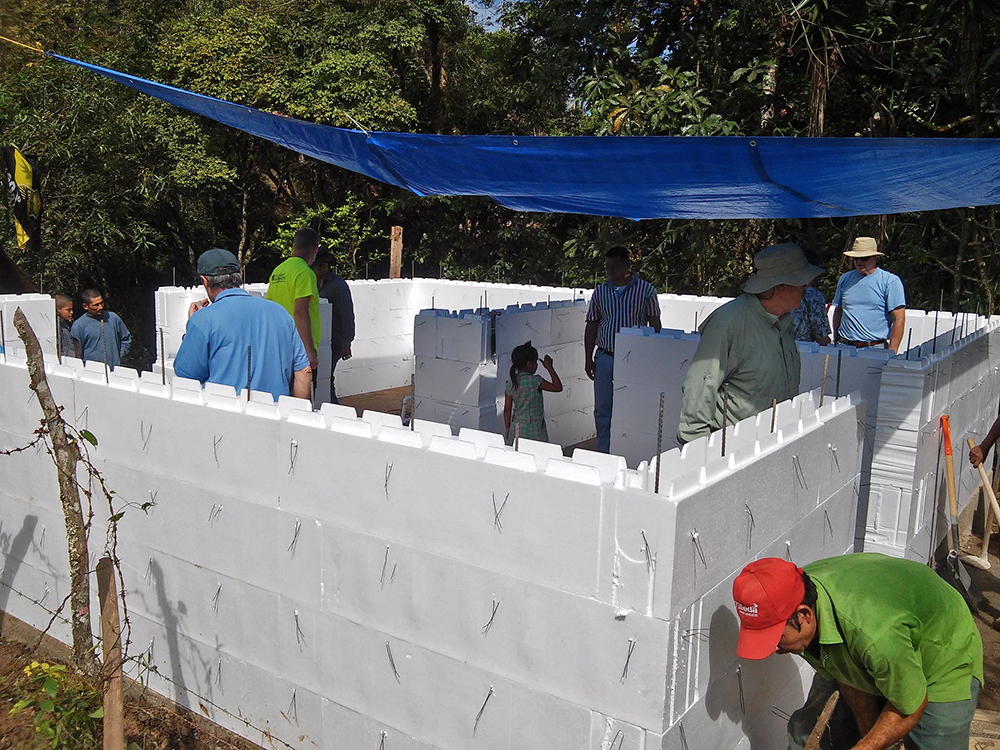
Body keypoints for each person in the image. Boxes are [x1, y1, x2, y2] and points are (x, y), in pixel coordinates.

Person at [733, 555, 983, 750]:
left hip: (943, 647)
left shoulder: (874, 635)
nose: (774, 649)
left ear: (804, 614)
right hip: (878, 637)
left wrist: (867, 745)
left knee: (932, 739)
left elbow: (911, 705)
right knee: (805, 729)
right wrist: (870, 738)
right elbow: (847, 677)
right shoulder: (792, 596)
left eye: (775, 637)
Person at [677, 243, 822, 444]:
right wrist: (697, 451)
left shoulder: (783, 322)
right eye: (802, 283)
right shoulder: (728, 323)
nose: (806, 289)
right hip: (733, 448)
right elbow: (700, 386)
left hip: (770, 443)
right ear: (780, 286)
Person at [174, 248, 311, 402]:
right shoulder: (281, 313)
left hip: (226, 417)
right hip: (274, 417)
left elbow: (186, 375)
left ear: (205, 281)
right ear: (240, 275)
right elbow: (304, 372)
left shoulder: (203, 320)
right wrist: (295, 414)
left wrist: (191, 330)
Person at [584, 246, 661, 453]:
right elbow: (592, 325)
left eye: (615, 266)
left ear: (628, 266)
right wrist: (588, 359)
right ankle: (603, 452)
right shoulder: (600, 291)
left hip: (634, 359)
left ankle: (628, 451)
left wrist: (651, 357)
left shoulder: (646, 290)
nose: (611, 271)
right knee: (602, 409)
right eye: (607, 267)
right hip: (605, 357)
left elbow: (655, 325)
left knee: (631, 406)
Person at [832, 237, 906, 353]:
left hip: (875, 348)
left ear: (875, 258)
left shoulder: (890, 281)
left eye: (864, 258)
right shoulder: (845, 279)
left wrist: (892, 350)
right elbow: (838, 311)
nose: (859, 262)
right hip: (844, 345)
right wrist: (836, 341)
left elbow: (899, 318)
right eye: (856, 258)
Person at [266, 227, 321, 380]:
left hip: (280, 346)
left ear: (293, 246)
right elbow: (300, 312)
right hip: (300, 350)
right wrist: (309, 351)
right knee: (303, 401)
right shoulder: (304, 272)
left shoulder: (278, 271)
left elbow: (270, 308)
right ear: (315, 249)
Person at [313, 250, 355, 404]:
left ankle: (336, 412)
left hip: (335, 342)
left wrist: (346, 343)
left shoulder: (338, 286)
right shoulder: (317, 283)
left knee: (325, 379)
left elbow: (347, 315)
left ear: (324, 267)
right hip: (323, 340)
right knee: (326, 378)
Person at [504, 341, 563, 446]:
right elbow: (558, 387)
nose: (537, 365)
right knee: (537, 454)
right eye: (535, 362)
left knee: (517, 455)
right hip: (535, 428)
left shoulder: (510, 383)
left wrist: (508, 427)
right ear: (529, 364)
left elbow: (507, 408)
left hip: (517, 427)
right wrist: (549, 367)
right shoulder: (535, 381)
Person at [70, 288, 131, 369]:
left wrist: (118, 356)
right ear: (85, 306)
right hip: (92, 372)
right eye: (96, 305)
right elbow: (76, 353)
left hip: (114, 370)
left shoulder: (113, 318)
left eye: (102, 303)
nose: (100, 307)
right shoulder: (79, 326)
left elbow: (126, 339)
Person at [54, 293, 77, 360]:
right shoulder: (55, 328)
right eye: (68, 310)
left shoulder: (65, 325)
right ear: (57, 310)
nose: (71, 312)